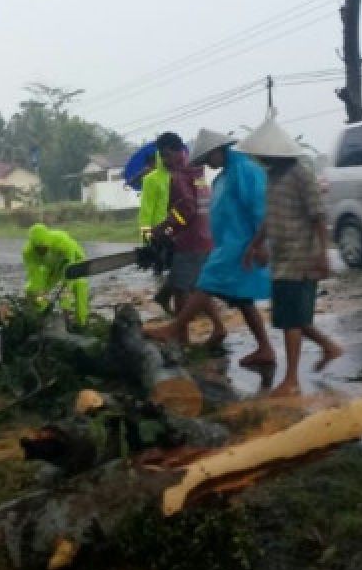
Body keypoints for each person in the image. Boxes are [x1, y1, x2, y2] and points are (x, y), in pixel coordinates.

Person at [144, 129, 274, 365]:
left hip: (234, 244)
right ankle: (264, 348)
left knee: (201, 285)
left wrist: (166, 230)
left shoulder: (243, 171)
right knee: (241, 300)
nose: (207, 164)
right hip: (224, 243)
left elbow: (259, 207)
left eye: (208, 158)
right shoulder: (217, 175)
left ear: (217, 150)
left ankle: (176, 330)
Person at [240, 116, 342, 396]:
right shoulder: (273, 176)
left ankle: (292, 380)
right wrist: (256, 244)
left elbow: (318, 215)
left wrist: (323, 253)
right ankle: (329, 347)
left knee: (291, 321)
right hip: (282, 258)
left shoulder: (301, 173)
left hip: (302, 257)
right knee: (290, 317)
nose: (259, 158)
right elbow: (271, 216)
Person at [149, 131, 224, 346]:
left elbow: (187, 210)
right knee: (196, 288)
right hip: (205, 236)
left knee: (181, 291)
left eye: (165, 155)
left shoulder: (180, 176)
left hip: (190, 241)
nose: (164, 160)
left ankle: (181, 339)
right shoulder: (197, 173)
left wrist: (165, 228)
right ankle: (218, 326)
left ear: (176, 151)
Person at [23, 223, 89, 326]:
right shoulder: (28, 253)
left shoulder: (62, 240)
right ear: (33, 246)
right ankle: (44, 316)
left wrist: (65, 303)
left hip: (74, 262)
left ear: (48, 241)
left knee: (78, 286)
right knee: (32, 290)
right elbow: (36, 277)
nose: (41, 251)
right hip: (53, 268)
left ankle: (81, 323)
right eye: (38, 249)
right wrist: (41, 300)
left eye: (44, 247)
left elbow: (69, 270)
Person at [137, 151, 174, 311]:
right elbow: (146, 210)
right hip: (157, 233)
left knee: (176, 268)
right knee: (158, 269)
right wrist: (146, 236)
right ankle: (160, 302)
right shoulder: (150, 180)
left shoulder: (177, 177)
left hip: (175, 230)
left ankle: (168, 301)